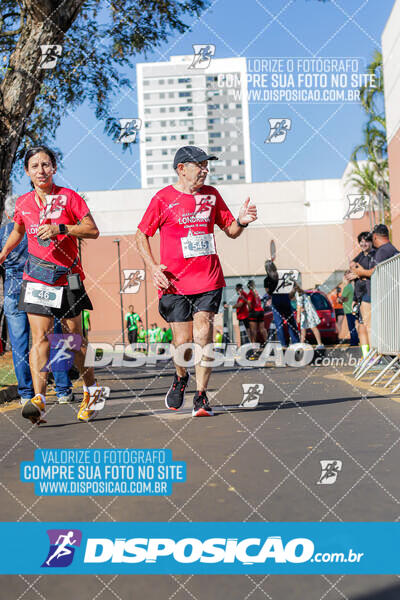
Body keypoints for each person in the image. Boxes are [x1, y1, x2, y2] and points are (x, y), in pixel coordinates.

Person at [135, 145, 257, 417]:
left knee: (203, 333)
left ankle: (201, 396)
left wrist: (242, 220)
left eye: (206, 165)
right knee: (184, 342)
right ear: (181, 169)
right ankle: (180, 377)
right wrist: (153, 267)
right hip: (174, 282)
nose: (205, 170)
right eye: (199, 165)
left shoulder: (212, 196)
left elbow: (231, 230)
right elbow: (141, 234)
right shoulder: (163, 199)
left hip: (208, 278)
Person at [0, 146, 108, 425]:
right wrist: (3, 253)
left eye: (46, 165)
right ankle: (38, 399)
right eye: (35, 166)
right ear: (27, 172)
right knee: (41, 339)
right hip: (36, 277)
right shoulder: (23, 203)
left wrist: (63, 229)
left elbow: (93, 230)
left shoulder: (69, 197)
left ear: (54, 168)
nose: (41, 170)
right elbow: (18, 230)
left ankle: (91, 391)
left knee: (73, 342)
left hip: (67, 276)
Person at [0, 200, 74, 405]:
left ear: (8, 213)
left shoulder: (3, 232)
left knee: (19, 344)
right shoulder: (38, 227)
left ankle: (25, 393)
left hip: (13, 290)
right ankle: (62, 390)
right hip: (40, 285)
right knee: (54, 337)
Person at [348, 231, 376, 358]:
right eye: (361, 241)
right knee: (361, 326)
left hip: (369, 294)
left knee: (369, 326)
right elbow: (352, 265)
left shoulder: (373, 255)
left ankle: (375, 356)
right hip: (359, 296)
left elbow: (369, 274)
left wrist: (358, 273)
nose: (363, 243)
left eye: (366, 241)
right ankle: (367, 356)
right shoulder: (361, 256)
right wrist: (354, 298)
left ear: (371, 242)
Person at [264, 263, 299, 348]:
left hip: (276, 300)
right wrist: (291, 292)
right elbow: (292, 283)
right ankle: (296, 342)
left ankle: (283, 344)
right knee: (290, 321)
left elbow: (268, 292)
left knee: (279, 323)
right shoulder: (281, 275)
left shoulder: (267, 280)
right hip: (285, 297)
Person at [294, 283, 324, 348]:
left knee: (313, 327)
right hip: (305, 312)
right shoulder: (299, 292)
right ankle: (301, 344)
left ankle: (320, 344)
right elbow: (301, 304)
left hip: (309, 312)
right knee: (303, 328)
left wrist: (298, 316)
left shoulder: (298, 293)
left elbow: (299, 305)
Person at [247, 280, 268, 345]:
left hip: (254, 312)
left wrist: (250, 310)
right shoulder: (256, 293)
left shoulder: (250, 293)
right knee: (262, 329)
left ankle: (253, 346)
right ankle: (268, 342)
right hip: (260, 311)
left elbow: (249, 302)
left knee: (253, 331)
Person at [341, 270, 359, 347]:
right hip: (351, 309)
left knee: (351, 327)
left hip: (349, 310)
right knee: (353, 326)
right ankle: (355, 339)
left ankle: (354, 341)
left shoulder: (347, 287)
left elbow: (342, 298)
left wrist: (340, 299)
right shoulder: (351, 286)